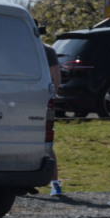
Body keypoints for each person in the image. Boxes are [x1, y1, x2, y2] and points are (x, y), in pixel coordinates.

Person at [43, 38, 63, 196]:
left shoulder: (47, 50)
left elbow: (56, 76)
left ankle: (55, 183)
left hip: (42, 100)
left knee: (46, 141)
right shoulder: (20, 48)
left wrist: (51, 96)